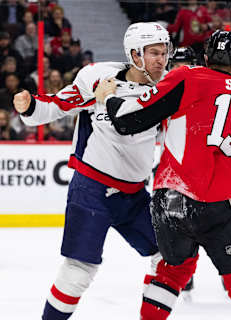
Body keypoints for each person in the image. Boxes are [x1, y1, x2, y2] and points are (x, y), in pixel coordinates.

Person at [95, 30, 231, 320]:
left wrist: (108, 98)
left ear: (206, 57)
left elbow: (128, 120)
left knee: (172, 271)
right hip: (218, 201)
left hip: (170, 198)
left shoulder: (187, 76)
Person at [13, 22, 172, 320]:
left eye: (164, 52)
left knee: (170, 258)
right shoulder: (99, 77)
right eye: (154, 53)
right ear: (135, 54)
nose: (161, 59)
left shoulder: (167, 89)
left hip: (134, 195)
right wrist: (29, 107)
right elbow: (59, 105)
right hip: (91, 190)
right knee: (78, 272)